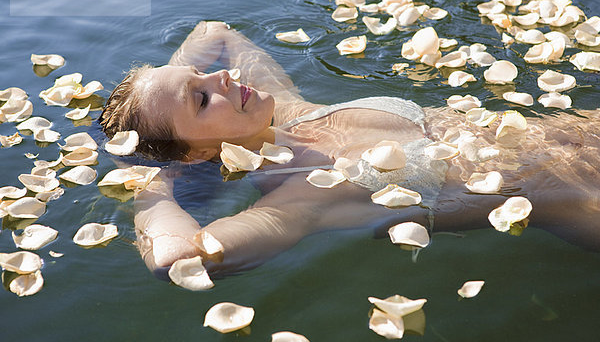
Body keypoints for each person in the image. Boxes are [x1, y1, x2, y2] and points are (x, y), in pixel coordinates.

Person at [100, 21, 600, 279]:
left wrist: (155, 111)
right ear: (196, 154)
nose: (221, 78)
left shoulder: (292, 109)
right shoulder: (299, 200)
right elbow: (177, 259)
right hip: (582, 198)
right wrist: (147, 179)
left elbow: (214, 34)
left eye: (202, 79)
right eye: (202, 97)